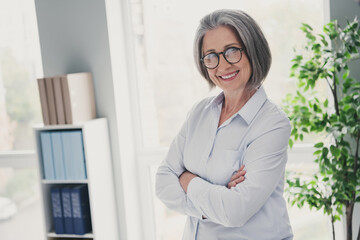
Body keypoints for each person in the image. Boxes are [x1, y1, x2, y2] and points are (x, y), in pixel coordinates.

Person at [155, 9, 293, 240]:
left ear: (253, 50)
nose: (222, 65)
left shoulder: (272, 124)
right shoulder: (199, 113)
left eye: (232, 51)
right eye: (211, 56)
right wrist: (214, 201)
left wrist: (187, 179)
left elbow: (234, 211)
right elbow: (162, 182)